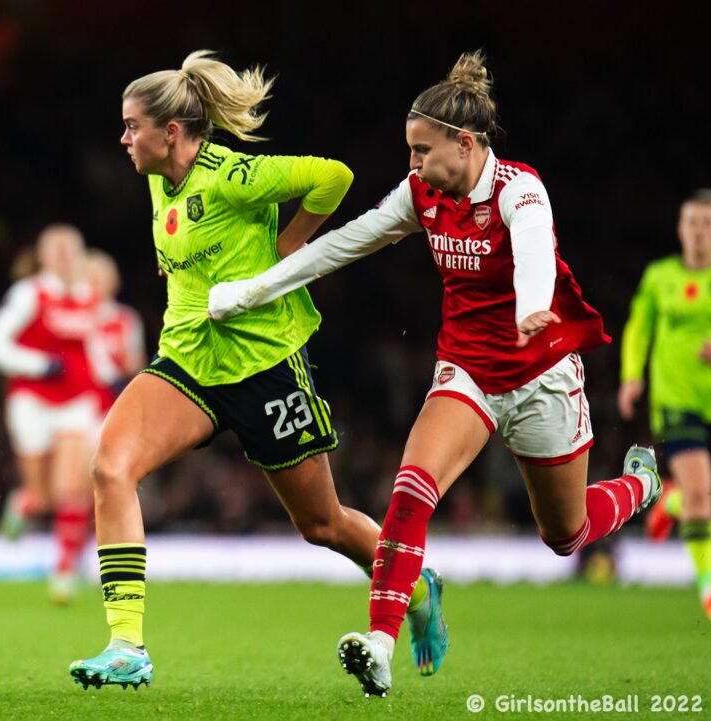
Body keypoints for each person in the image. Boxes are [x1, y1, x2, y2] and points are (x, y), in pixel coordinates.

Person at [207, 50, 662, 698]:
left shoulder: (520, 188)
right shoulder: (422, 195)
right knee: (412, 486)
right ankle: (381, 641)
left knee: (565, 535)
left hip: (542, 376)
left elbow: (534, 243)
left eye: (422, 151)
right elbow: (344, 242)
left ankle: (638, 487)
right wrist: (252, 291)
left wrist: (534, 304)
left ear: (466, 143)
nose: (413, 165)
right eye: (410, 151)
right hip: (468, 371)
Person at [68, 50, 449, 691]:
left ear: (171, 132)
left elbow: (335, 175)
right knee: (111, 465)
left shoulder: (234, 177)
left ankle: (415, 587)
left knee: (322, 524)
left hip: (265, 366)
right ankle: (126, 645)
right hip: (187, 363)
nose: (123, 138)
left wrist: (292, 242)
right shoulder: (160, 177)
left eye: (132, 126)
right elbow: (185, 239)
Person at [0, 223, 106, 603]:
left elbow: (96, 352)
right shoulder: (28, 294)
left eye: (72, 248)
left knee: (73, 488)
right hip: (31, 404)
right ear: (44, 256)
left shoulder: (89, 297)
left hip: (78, 404)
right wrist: (39, 365)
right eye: (57, 248)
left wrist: (112, 383)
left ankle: (64, 570)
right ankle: (23, 503)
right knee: (43, 496)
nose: (65, 255)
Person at [619, 189, 711, 618]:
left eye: (707, 224)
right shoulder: (661, 277)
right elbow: (639, 327)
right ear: (680, 229)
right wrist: (632, 376)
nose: (699, 233)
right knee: (703, 495)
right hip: (677, 401)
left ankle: (670, 501)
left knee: (697, 498)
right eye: (692, 223)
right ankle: (709, 592)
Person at [85, 248, 147, 408]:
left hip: (113, 394)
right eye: (90, 276)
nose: (94, 281)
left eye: (100, 276)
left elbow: (135, 364)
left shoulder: (126, 317)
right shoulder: (71, 314)